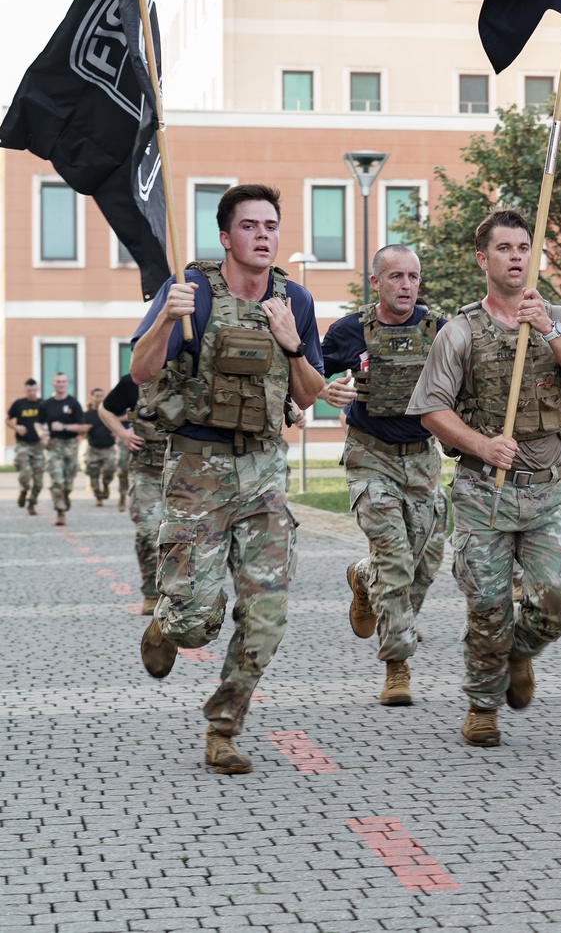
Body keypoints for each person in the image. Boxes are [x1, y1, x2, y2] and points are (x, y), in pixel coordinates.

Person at [130, 183, 324, 775]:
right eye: (250, 226)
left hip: (264, 469)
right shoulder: (190, 291)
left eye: (271, 225)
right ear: (225, 237)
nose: (263, 235)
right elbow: (140, 371)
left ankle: (224, 726)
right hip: (197, 469)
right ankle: (168, 624)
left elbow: (311, 395)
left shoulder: (296, 300)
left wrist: (292, 345)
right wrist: (167, 315)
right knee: (197, 620)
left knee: (267, 615)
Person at [408, 208, 561, 748]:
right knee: (488, 608)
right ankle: (482, 704)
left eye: (523, 248)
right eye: (504, 249)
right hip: (482, 491)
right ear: (483, 259)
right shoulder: (459, 332)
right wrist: (482, 444)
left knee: (558, 601)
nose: (516, 257)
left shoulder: (559, 316)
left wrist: (548, 330)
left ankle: (520, 653)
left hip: (548, 488)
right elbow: (431, 410)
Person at [319, 244, 448, 707]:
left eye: (413, 277)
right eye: (396, 277)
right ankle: (397, 664)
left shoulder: (440, 330)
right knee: (395, 558)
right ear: (376, 282)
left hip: (423, 459)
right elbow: (309, 371)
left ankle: (361, 577)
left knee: (424, 564)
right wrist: (321, 390)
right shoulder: (348, 331)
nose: (406, 286)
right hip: (370, 457)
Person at [99, 374, 169, 616]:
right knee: (149, 531)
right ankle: (151, 593)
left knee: (188, 536)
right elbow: (105, 409)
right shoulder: (133, 382)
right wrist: (124, 433)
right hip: (146, 470)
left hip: (186, 470)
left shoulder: (191, 372)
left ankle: (180, 594)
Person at [38, 373, 87, 525]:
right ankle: (60, 511)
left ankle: (65, 495)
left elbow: (83, 427)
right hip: (54, 445)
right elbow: (38, 422)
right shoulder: (47, 404)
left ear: (67, 384)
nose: (61, 384)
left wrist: (64, 426)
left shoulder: (74, 403)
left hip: (70, 445)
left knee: (68, 482)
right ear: (53, 384)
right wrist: (42, 432)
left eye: (64, 381)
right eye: (58, 381)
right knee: (57, 480)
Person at [7, 378, 45, 514]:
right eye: (29, 390)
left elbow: (49, 421)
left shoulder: (43, 404)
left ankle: (32, 503)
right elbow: (7, 420)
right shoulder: (19, 404)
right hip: (23, 444)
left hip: (38, 446)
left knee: (39, 481)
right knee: (25, 473)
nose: (32, 393)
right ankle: (23, 491)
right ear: (25, 390)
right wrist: (16, 427)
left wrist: (45, 432)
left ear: (38, 389)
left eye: (34, 390)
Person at [83, 388, 117, 506]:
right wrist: (83, 431)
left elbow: (120, 422)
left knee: (110, 470)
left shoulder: (109, 413)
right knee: (93, 474)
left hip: (108, 448)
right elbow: (81, 432)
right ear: (92, 398)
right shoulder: (86, 415)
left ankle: (106, 485)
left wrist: (117, 432)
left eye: (101, 396)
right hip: (93, 449)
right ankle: (98, 496)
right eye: (96, 396)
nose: (99, 398)